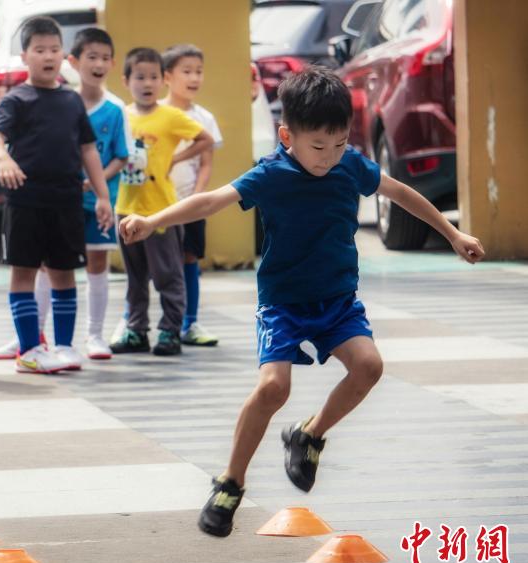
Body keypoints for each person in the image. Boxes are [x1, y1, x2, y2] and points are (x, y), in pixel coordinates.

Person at [120, 66, 485, 537]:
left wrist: (453, 233)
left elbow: (399, 193)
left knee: (369, 367)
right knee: (274, 389)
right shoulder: (270, 174)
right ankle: (230, 482)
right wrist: (153, 221)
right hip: (284, 304)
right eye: (318, 147)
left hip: (337, 299)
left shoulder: (349, 164)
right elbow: (211, 201)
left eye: (339, 144)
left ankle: (308, 435)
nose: (329, 158)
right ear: (287, 135)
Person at [0, 27, 129, 362]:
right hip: (25, 201)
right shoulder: (15, 99)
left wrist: (102, 196)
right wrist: (4, 158)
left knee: (64, 272)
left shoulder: (71, 100)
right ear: (25, 57)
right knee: (24, 271)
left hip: (65, 201)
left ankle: (65, 347)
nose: (48, 55)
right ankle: (29, 350)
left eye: (54, 49)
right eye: (40, 49)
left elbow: (89, 150)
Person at [110, 47, 214, 357]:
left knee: (169, 273)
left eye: (154, 77)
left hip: (162, 211)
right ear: (126, 80)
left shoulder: (171, 116)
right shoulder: (121, 115)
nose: (147, 83)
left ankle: (170, 329)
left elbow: (205, 140)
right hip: (125, 208)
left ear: (163, 81)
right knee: (136, 276)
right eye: (140, 77)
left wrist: (174, 157)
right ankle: (136, 329)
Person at [162, 44, 223, 347]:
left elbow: (206, 163)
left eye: (198, 71)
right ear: (167, 76)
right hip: (158, 204)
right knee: (159, 264)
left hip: (191, 203)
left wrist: (197, 199)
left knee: (189, 260)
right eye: (186, 71)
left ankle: (190, 322)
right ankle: (153, 322)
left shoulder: (205, 118)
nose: (194, 77)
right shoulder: (155, 113)